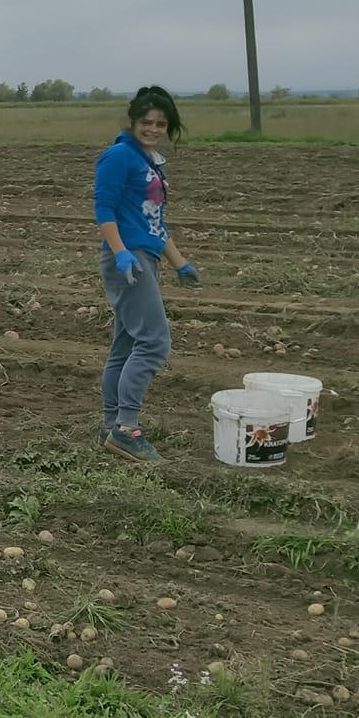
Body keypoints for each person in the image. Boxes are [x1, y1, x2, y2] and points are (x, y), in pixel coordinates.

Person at [93, 85, 200, 465]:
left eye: (160, 123)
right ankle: (126, 429)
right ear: (132, 122)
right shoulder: (120, 156)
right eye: (146, 122)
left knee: (125, 346)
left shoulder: (150, 161)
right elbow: (104, 211)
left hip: (145, 257)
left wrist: (180, 263)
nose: (153, 128)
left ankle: (110, 426)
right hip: (129, 260)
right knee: (154, 343)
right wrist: (121, 254)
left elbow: (155, 223)